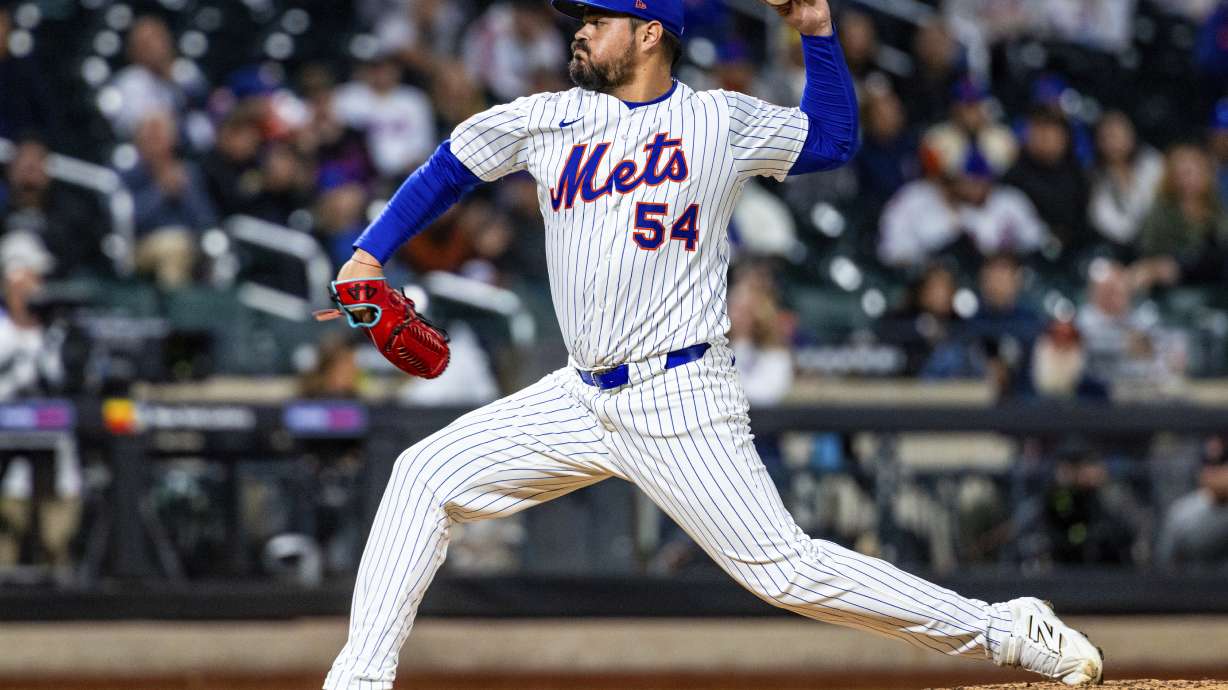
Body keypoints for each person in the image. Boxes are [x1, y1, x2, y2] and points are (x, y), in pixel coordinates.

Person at [321, 0, 1103, 687]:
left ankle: (1005, 628)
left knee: (789, 573)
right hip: (580, 393)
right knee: (423, 474)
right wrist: (369, 251)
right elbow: (452, 164)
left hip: (680, 395)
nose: (581, 32)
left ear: (650, 33)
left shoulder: (717, 120)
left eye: (598, 20)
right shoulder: (549, 116)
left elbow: (830, 141)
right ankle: (357, 683)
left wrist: (819, 36)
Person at [1, 135, 110, 279]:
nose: (29, 174)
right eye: (23, 166)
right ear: (10, 171)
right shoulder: (3, 214)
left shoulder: (72, 215)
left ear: (47, 171)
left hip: (57, 285)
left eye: (34, 166)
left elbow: (82, 258)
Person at [1135, 144, 1228, 288]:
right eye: (1182, 174)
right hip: (1171, 288)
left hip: (1212, 285)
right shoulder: (1160, 212)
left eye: (1194, 172)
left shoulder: (1217, 210)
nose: (1189, 180)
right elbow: (1149, 253)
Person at [1088, 111, 1163, 253]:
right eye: (1106, 137)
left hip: (1161, 238)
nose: (1113, 143)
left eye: (1118, 135)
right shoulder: (1096, 178)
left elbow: (1158, 206)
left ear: (1132, 136)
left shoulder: (1152, 162)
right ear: (1098, 142)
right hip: (1121, 248)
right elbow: (1104, 220)